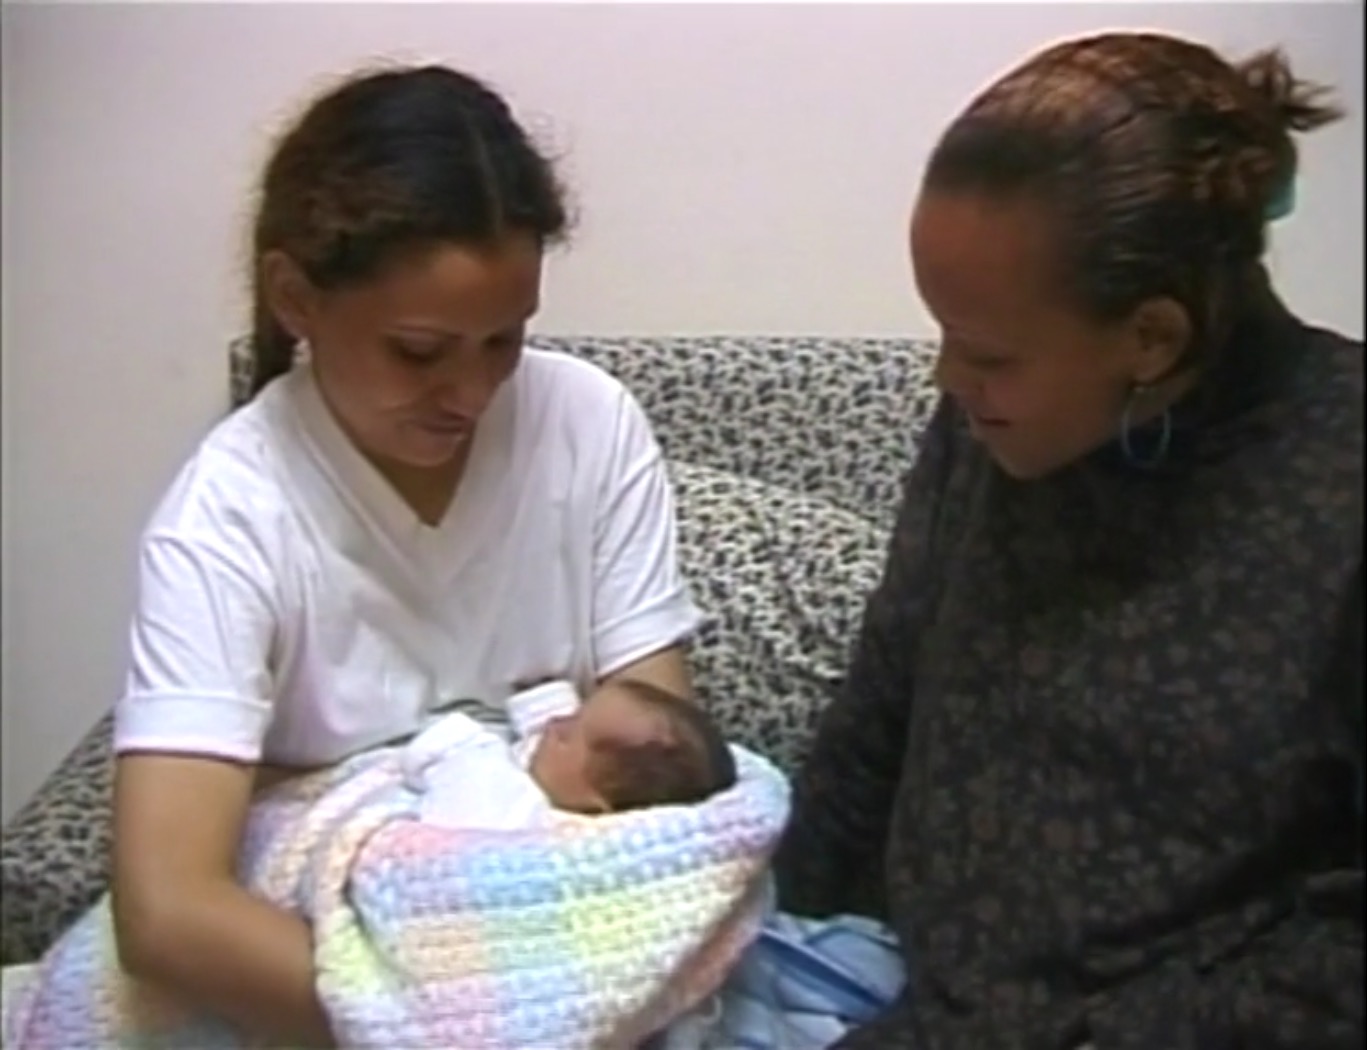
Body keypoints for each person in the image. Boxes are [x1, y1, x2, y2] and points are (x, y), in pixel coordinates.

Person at [775, 31, 1363, 1050]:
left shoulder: (1338, 480)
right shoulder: (986, 431)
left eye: (988, 355)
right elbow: (880, 710)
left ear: (1150, 338)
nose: (948, 382)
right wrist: (749, 933)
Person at [108, 64, 705, 1048]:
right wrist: (450, 1031)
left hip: (565, 964)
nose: (469, 394)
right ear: (295, 298)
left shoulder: (587, 425)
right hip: (331, 996)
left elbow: (657, 775)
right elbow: (167, 911)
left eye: (503, 343)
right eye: (420, 352)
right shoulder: (228, 519)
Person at [401, 677, 738, 829]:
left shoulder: (515, 809)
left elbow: (442, 753)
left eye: (566, 735)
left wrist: (464, 742)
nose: (553, 723)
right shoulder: (561, 779)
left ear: (593, 805)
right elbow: (545, 722)